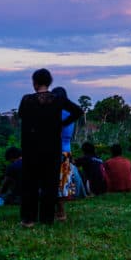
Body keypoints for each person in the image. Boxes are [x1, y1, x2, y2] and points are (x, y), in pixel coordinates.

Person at [18, 69, 83, 227]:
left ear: (35, 82)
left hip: (31, 147)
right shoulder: (58, 99)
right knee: (50, 183)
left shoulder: (27, 100)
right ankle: (47, 219)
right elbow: (78, 111)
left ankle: (29, 219)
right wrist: (61, 124)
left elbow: (21, 116)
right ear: (49, 82)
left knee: (31, 183)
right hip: (52, 147)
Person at [52, 86, 78, 221]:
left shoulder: (56, 112)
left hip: (56, 149)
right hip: (67, 150)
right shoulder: (70, 113)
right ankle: (60, 212)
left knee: (54, 181)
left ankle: (60, 212)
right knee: (62, 182)